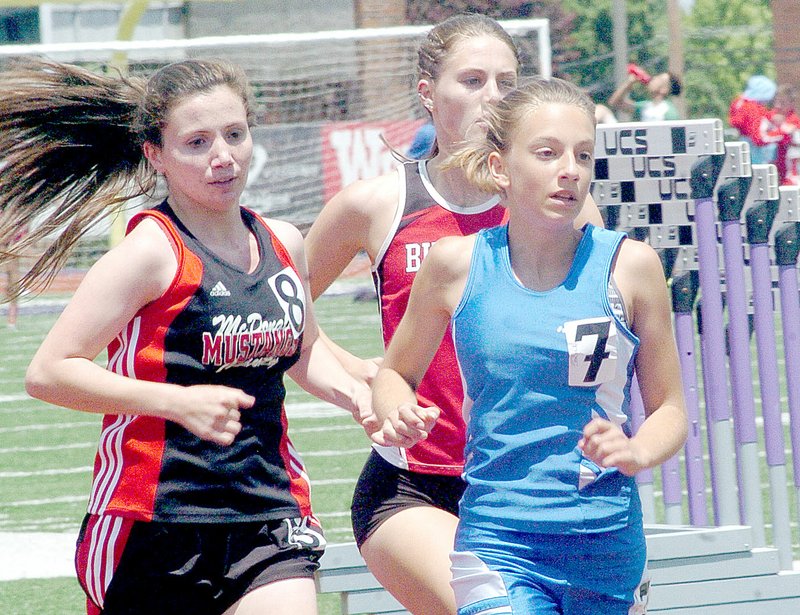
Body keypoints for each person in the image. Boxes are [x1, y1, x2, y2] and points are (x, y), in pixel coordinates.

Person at [2, 58, 373, 615]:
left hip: (268, 512)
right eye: (196, 142)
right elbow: (50, 372)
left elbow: (303, 348)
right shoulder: (151, 252)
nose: (222, 156)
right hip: (154, 519)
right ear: (156, 155)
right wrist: (176, 401)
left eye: (234, 135)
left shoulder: (284, 242)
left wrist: (360, 395)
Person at [304, 13, 604, 615]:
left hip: (537, 486)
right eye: (471, 80)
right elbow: (279, 312)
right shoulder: (377, 203)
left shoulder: (561, 204)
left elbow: (603, 330)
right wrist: (362, 382)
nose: (492, 97)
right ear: (427, 94)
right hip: (417, 487)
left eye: (505, 82)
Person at [370, 77, 688, 614]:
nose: (570, 169)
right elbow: (395, 374)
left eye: (583, 155)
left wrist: (637, 450)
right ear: (500, 168)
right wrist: (395, 410)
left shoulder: (631, 267)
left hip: (606, 542)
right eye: (547, 152)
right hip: (499, 539)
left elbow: (671, 409)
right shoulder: (455, 265)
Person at [728, 74, 781, 164]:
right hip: (758, 154)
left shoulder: (740, 103)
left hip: (744, 146)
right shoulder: (753, 109)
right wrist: (781, 133)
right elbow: (758, 138)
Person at [608, 63, 682, 122]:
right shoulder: (645, 107)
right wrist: (629, 83)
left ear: (664, 89)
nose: (654, 78)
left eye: (659, 79)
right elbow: (615, 102)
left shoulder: (669, 111)